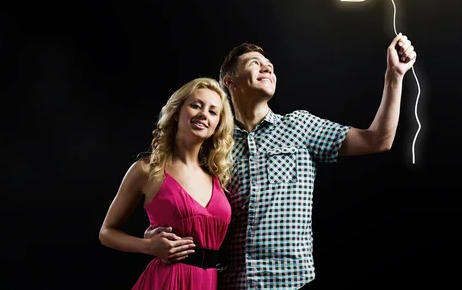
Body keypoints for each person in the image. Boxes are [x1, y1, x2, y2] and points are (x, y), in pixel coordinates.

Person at [146, 33, 417, 289]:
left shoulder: (300, 126)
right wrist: (154, 235)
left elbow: (378, 139)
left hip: (293, 283)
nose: (267, 69)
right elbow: (183, 201)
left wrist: (394, 76)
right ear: (230, 82)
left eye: (270, 66)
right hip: (229, 283)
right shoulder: (212, 145)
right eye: (255, 64)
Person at [99, 77, 236, 289]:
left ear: (217, 125)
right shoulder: (147, 170)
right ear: (176, 112)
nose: (203, 114)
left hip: (209, 282)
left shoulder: (218, 176)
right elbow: (106, 232)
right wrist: (148, 246)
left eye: (213, 111)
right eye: (196, 105)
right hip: (167, 281)